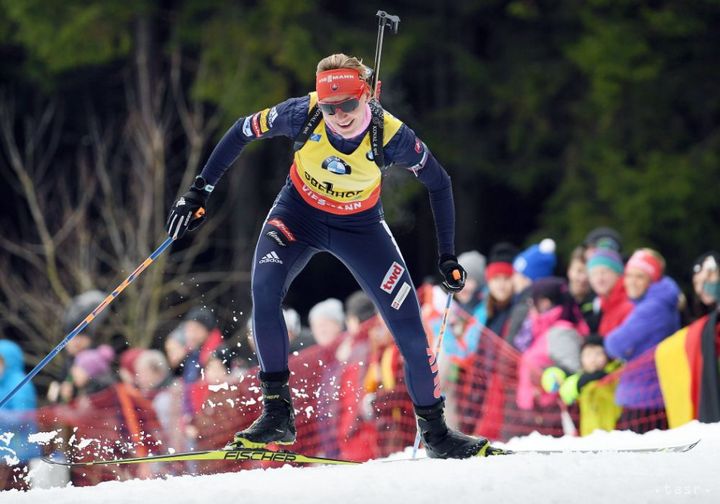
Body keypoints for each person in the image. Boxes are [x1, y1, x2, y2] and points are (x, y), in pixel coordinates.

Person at [165, 53, 501, 458]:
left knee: (411, 331)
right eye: (330, 107)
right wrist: (200, 190)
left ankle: (436, 434)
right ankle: (277, 412)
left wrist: (446, 256)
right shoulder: (300, 114)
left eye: (348, 105)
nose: (339, 115)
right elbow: (241, 131)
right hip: (297, 216)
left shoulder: (390, 135)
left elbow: (440, 183)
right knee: (264, 290)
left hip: (360, 229)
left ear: (365, 96)